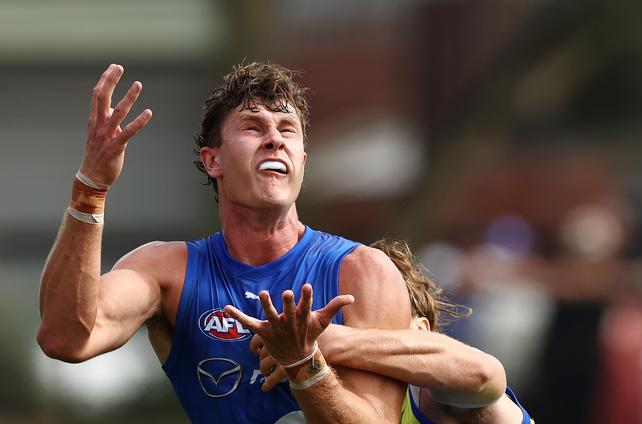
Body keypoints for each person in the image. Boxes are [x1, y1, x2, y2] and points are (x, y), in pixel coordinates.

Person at [37, 62, 413, 423]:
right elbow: (64, 338)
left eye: (287, 129)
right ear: (213, 161)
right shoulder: (168, 271)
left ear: (302, 159)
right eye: (253, 127)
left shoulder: (364, 272)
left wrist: (303, 364)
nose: (274, 139)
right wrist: (91, 186)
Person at [245, 239, 534, 424]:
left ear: (422, 331)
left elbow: (483, 374)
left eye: (379, 328)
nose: (356, 333)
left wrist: (331, 341)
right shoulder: (326, 400)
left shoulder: (431, 395)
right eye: (346, 322)